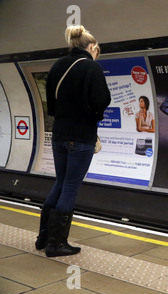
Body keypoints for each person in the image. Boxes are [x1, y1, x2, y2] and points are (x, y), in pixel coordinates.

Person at [36, 25, 111, 257]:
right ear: (91, 47)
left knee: (60, 182)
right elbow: (103, 100)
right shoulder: (91, 66)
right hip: (81, 137)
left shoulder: (57, 65)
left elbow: (51, 102)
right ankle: (56, 244)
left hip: (59, 134)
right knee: (70, 187)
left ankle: (44, 238)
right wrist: (92, 114)